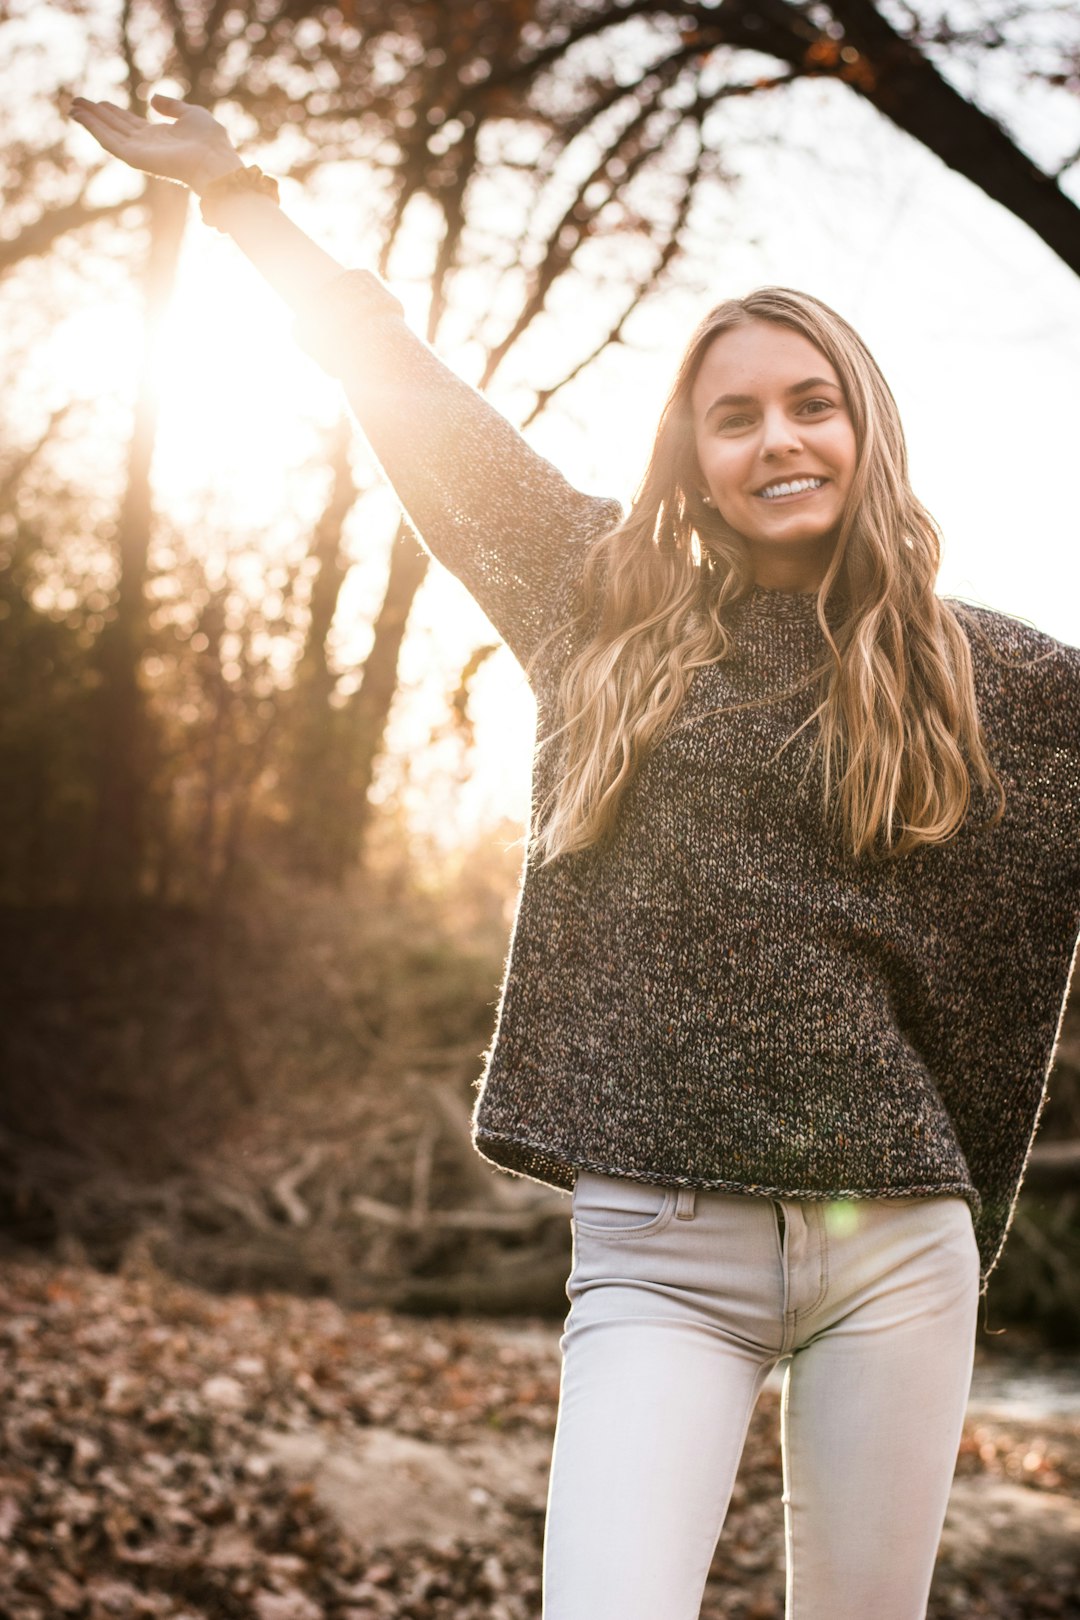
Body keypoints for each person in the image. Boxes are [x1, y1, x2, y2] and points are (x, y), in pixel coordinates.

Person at [70, 94, 1080, 1620]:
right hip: (661, 1254)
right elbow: (413, 402)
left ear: (867, 427)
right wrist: (247, 205)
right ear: (694, 449)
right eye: (734, 416)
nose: (779, 439)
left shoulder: (1000, 676)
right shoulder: (599, 600)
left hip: (899, 1253)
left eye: (813, 402)